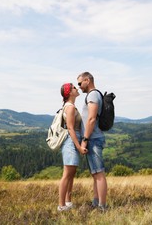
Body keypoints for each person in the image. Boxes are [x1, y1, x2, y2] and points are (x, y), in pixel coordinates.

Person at [77, 72, 108, 211]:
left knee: (99, 173)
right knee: (95, 173)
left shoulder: (93, 95)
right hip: (93, 138)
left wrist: (85, 140)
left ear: (87, 80)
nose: (79, 87)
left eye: (80, 83)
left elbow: (91, 119)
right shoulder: (93, 95)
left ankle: (102, 206)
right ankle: (96, 202)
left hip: (93, 139)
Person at [58, 83, 88, 211]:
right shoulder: (70, 108)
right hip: (71, 142)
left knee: (71, 173)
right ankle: (61, 205)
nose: (77, 89)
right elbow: (70, 128)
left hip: (72, 141)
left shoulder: (70, 106)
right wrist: (79, 146)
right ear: (70, 92)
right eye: (75, 87)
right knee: (67, 174)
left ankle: (68, 201)